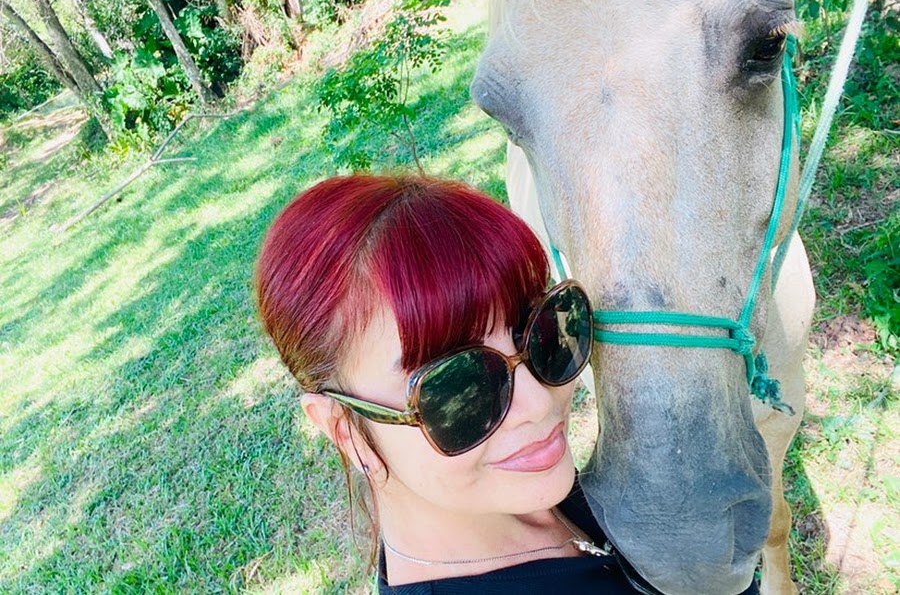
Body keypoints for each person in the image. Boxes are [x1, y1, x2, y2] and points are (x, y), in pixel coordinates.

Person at [255, 175, 760, 594]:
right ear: (343, 429)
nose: (539, 403)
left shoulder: (518, 497)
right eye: (459, 384)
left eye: (541, 331)